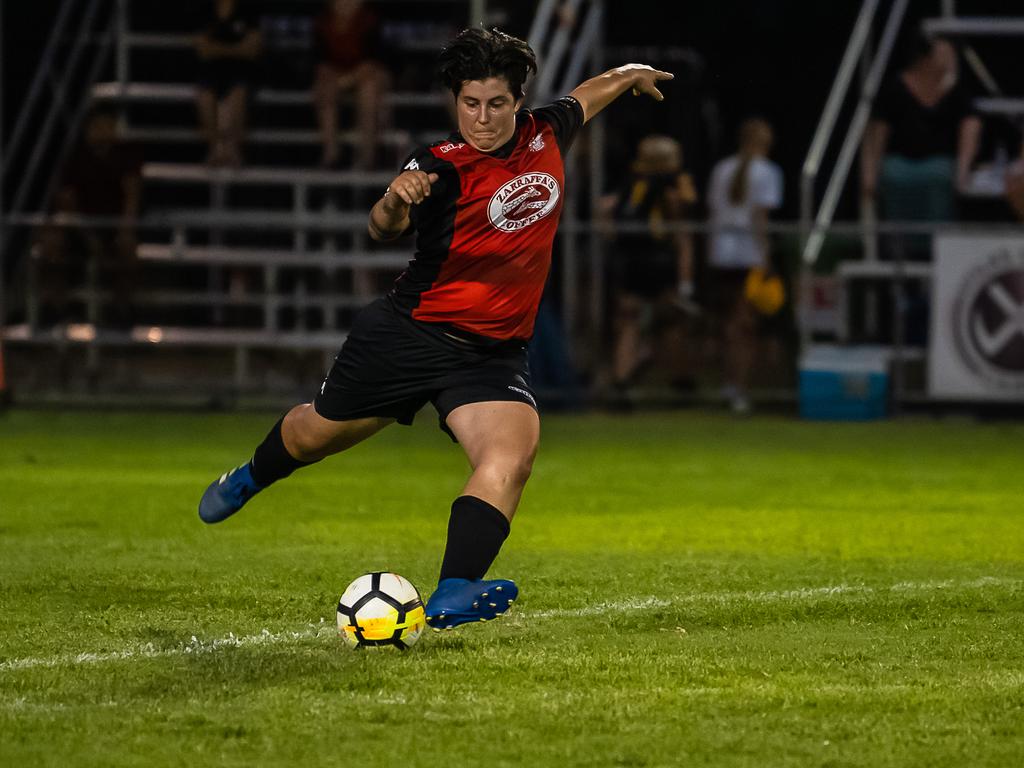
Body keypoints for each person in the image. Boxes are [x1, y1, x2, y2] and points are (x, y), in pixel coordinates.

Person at [198, 27, 672, 630]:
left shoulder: (548, 132)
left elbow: (590, 93)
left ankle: (452, 590)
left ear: (519, 101)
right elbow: (381, 227)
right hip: (407, 335)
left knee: (513, 455)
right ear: (455, 101)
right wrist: (396, 198)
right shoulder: (439, 165)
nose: (482, 118)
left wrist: (633, 73)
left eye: (496, 103)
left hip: (491, 355)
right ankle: (251, 476)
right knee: (316, 435)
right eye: (469, 103)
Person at [860, 33, 982, 260]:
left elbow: (970, 125)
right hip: (901, 163)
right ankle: (899, 251)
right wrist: (869, 171)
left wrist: (963, 167)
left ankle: (937, 251)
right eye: (942, 54)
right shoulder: (897, 88)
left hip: (939, 164)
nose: (948, 60)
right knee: (892, 174)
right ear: (925, 59)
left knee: (938, 175)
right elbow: (878, 133)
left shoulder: (957, 91)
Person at [603, 134, 697, 395]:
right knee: (673, 321)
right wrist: (686, 280)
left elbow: (606, 209)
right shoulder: (672, 184)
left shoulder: (629, 182)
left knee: (629, 320)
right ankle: (681, 381)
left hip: (629, 259)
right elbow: (681, 232)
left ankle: (622, 381)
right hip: (659, 259)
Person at [34, 110, 143, 328]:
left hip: (113, 227)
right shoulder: (73, 155)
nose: (103, 131)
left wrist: (124, 231)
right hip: (79, 227)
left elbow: (132, 196)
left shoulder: (126, 154)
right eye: (97, 125)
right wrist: (90, 238)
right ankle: (55, 309)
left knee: (126, 247)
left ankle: (122, 312)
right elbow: (66, 203)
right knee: (50, 242)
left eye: (108, 124)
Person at [706, 118, 783, 415]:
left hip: (721, 254)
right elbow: (760, 218)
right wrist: (766, 258)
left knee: (729, 325)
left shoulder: (721, 169)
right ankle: (737, 386)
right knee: (743, 328)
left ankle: (729, 382)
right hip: (748, 254)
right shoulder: (767, 172)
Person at [312, 0, 391, 169]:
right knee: (325, 87)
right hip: (336, 74)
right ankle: (331, 153)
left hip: (368, 75)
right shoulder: (323, 22)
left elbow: (372, 63)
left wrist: (347, 80)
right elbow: (321, 63)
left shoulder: (370, 20)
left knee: (369, 90)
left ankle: (368, 156)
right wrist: (339, 80)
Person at [195, 0, 263, 166]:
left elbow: (253, 49)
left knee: (238, 93)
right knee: (205, 95)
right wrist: (237, 49)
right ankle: (215, 149)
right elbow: (202, 49)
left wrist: (217, 49)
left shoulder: (248, 9)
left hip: (241, 72)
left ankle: (233, 150)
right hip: (213, 72)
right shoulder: (205, 8)